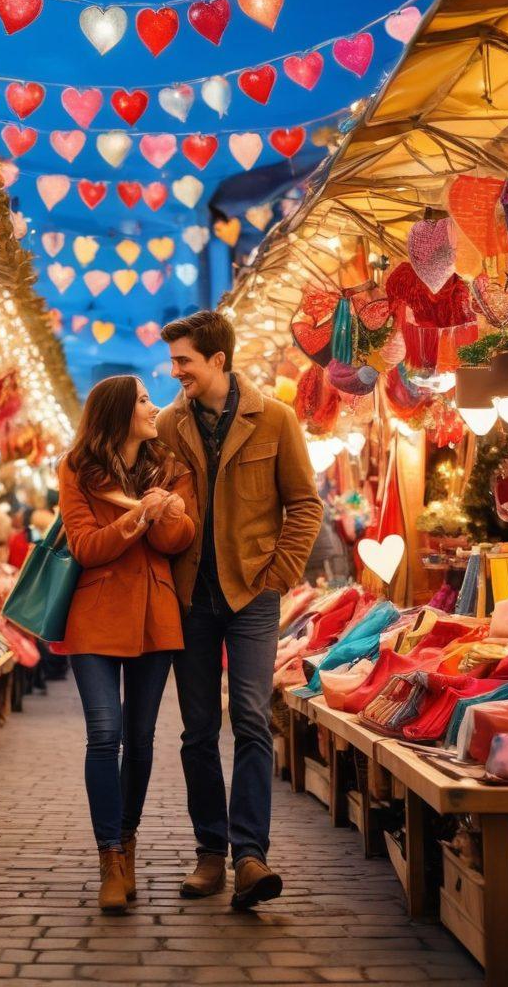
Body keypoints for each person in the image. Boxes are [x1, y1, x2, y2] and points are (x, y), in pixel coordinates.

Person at [156, 310, 323, 910]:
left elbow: (305, 504)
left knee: (251, 719)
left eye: (184, 362)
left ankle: (251, 856)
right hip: (189, 600)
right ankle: (210, 853)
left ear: (218, 362)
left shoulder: (274, 419)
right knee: (198, 731)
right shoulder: (168, 426)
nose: (175, 373)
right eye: (174, 361)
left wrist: (277, 575)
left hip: (252, 594)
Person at [56, 375, 197, 914]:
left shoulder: (171, 469)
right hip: (94, 616)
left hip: (155, 617)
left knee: (139, 738)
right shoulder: (76, 469)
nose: (153, 406)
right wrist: (141, 513)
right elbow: (86, 547)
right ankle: (110, 856)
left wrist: (170, 514)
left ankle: (129, 842)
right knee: (104, 733)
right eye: (143, 400)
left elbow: (176, 541)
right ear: (118, 412)